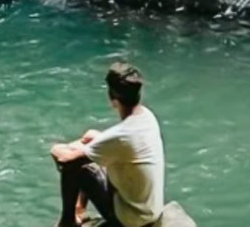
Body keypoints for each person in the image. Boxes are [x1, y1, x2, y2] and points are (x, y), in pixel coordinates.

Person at [49, 62, 165, 227]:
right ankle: (79, 209)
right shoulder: (147, 117)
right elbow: (115, 143)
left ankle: (68, 221)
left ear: (112, 97)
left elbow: (65, 160)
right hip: (150, 210)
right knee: (91, 140)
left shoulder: (121, 137)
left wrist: (56, 148)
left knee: (76, 166)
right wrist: (86, 144)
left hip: (131, 220)